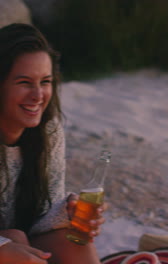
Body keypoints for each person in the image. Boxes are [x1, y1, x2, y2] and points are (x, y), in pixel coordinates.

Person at [0, 23, 106, 263]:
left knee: (75, 240)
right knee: (16, 241)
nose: (38, 96)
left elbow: (39, 220)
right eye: (25, 82)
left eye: (45, 81)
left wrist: (66, 213)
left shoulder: (49, 132)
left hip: (20, 242)